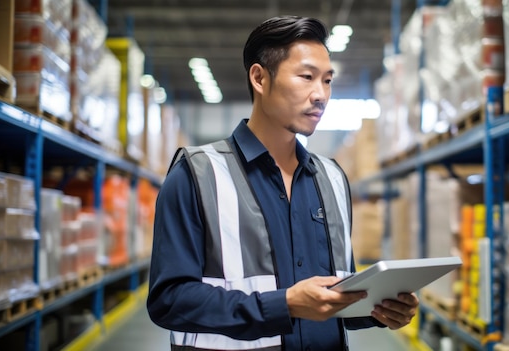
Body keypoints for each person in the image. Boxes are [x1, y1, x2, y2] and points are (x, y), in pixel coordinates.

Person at [147, 15, 419, 351]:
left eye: (328, 81)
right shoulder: (197, 175)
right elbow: (169, 300)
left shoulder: (332, 179)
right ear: (260, 78)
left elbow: (333, 296)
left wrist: (379, 309)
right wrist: (284, 305)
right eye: (306, 77)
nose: (321, 95)